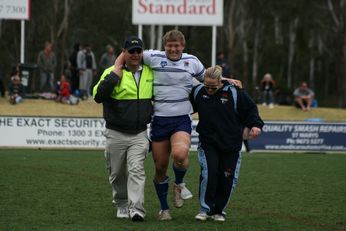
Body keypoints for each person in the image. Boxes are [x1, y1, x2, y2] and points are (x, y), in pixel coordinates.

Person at [141, 30, 206, 220]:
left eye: (177, 45)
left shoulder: (192, 61)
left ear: (183, 47)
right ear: (164, 46)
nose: (173, 49)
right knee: (160, 167)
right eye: (169, 45)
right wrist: (118, 67)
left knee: (179, 155)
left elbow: (209, 80)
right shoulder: (152, 57)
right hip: (160, 120)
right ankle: (164, 209)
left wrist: (228, 82)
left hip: (181, 119)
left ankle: (179, 183)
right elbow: (127, 52)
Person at [190, 65, 264, 222]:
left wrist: (256, 125)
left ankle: (219, 210)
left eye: (213, 87)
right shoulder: (198, 92)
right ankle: (205, 209)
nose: (209, 90)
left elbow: (250, 109)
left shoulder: (234, 92)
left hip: (231, 145)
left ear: (220, 81)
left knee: (227, 178)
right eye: (207, 86)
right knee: (209, 174)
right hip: (208, 142)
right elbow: (184, 107)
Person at [93, 36, 153, 222]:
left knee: (137, 170)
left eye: (138, 51)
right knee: (117, 173)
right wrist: (115, 75)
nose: (135, 55)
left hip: (139, 133)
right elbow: (97, 96)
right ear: (124, 53)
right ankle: (121, 202)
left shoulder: (151, 73)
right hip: (115, 133)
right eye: (131, 51)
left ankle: (136, 209)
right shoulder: (111, 72)